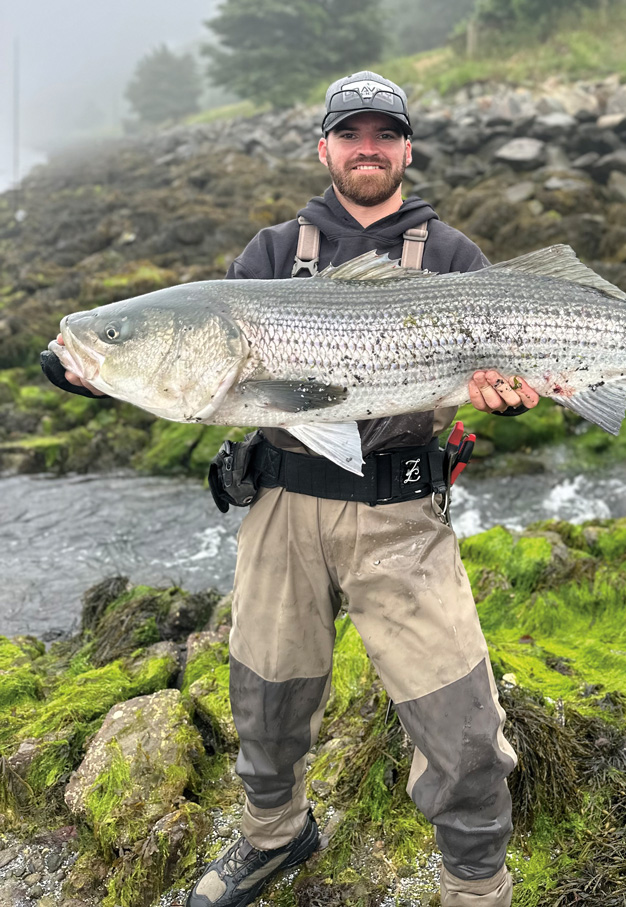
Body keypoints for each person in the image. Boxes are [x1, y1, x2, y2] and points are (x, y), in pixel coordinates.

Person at [42, 70, 539, 907]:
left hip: (401, 517)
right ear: (325, 148)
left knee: (463, 735)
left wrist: (513, 390)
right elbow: (204, 376)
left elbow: (497, 382)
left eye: (386, 135)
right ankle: (277, 837)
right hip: (280, 509)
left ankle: (476, 887)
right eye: (352, 135)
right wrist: (102, 366)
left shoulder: (454, 258)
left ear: (408, 149)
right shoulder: (272, 256)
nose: (369, 149)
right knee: (265, 707)